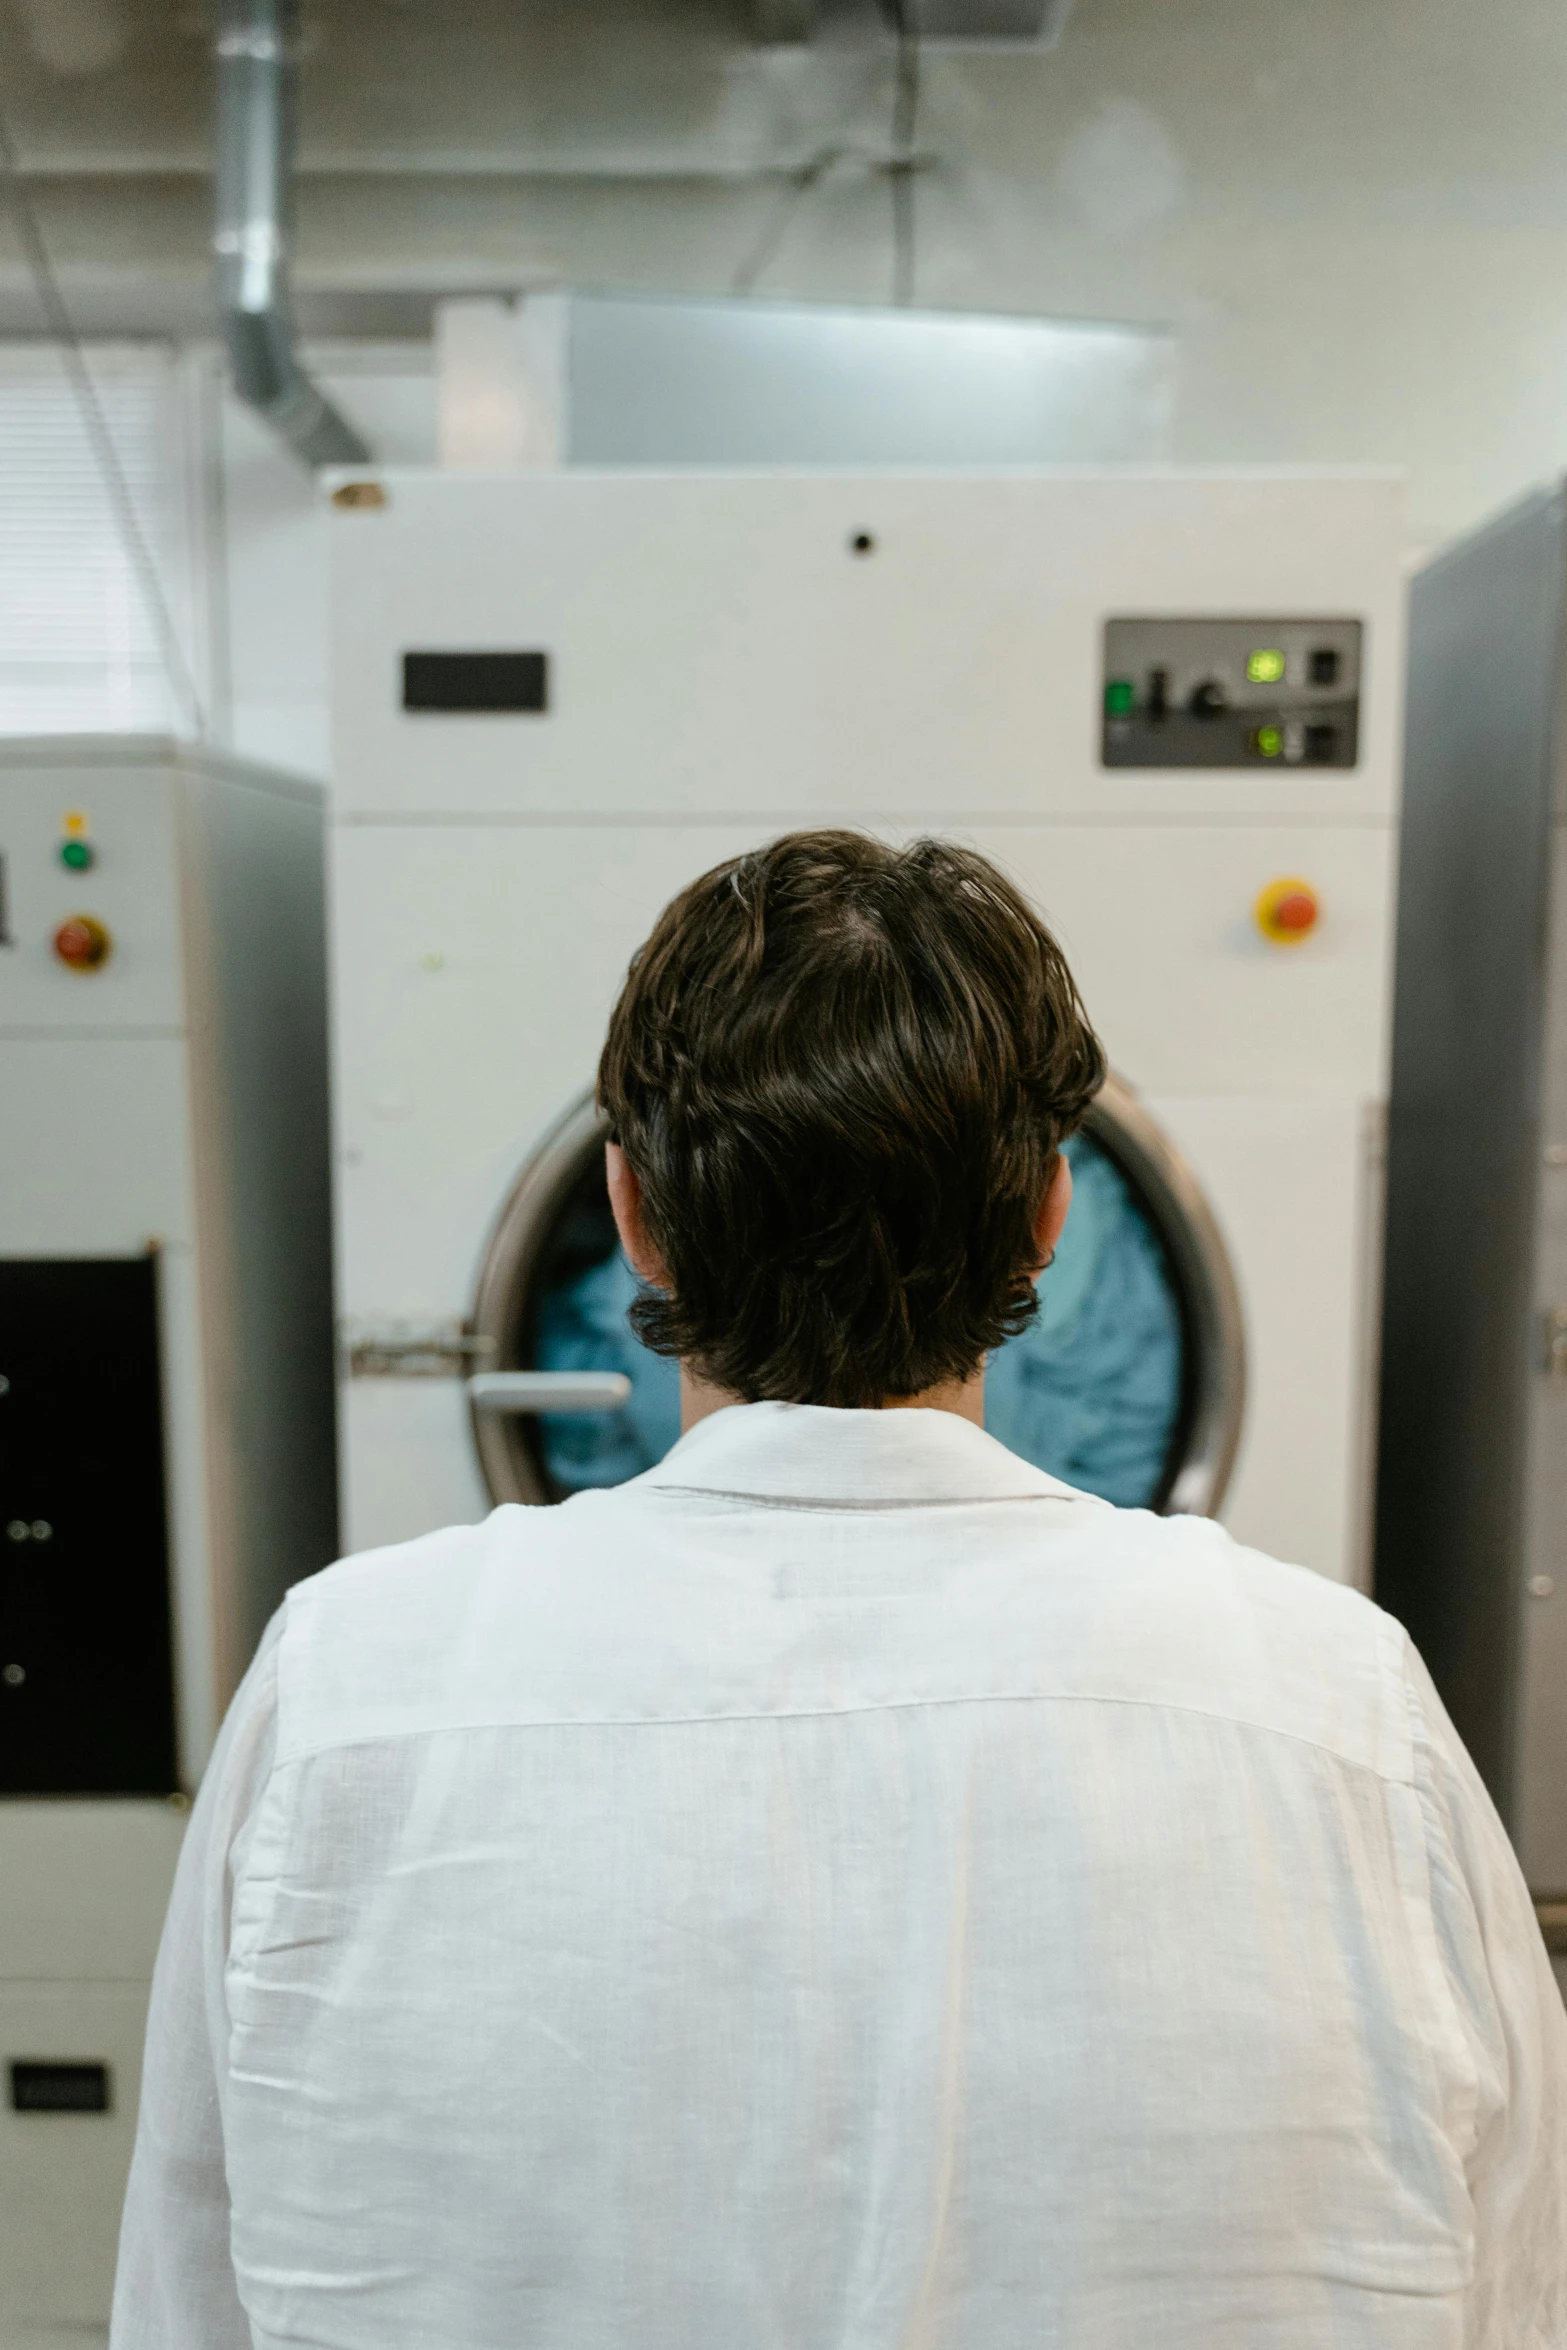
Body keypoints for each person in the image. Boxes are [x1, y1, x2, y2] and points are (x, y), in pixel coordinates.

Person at [113, 830, 1567, 2350]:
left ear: (630, 1209)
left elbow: (188, 2290)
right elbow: (1515, 2286)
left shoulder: (349, 1683)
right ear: (1045, 1221)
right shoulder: (1340, 1704)